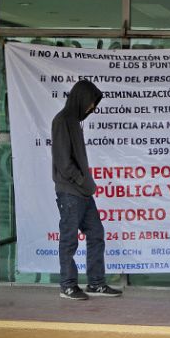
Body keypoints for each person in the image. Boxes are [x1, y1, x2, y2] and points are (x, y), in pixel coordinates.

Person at [51, 79, 122, 300]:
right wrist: (86, 182)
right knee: (69, 239)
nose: (92, 108)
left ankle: (96, 283)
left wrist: (85, 185)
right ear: (81, 98)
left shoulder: (74, 122)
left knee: (96, 233)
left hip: (82, 192)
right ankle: (68, 285)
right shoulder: (62, 121)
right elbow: (64, 163)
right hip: (70, 191)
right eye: (91, 102)